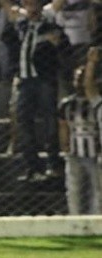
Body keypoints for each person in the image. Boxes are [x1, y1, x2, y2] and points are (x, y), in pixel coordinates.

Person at [0, 0, 65, 181]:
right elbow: (9, 34)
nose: (31, 7)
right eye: (28, 3)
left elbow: (61, 41)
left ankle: (53, 163)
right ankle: (33, 166)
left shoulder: (49, 22)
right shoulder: (20, 24)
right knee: (23, 121)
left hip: (44, 78)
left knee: (50, 120)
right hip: (25, 79)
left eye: (34, 3)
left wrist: (55, 40)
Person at [59, 47, 102, 214]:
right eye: (77, 78)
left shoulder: (95, 102)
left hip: (95, 149)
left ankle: (97, 218)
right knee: (74, 187)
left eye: (81, 78)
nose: (79, 82)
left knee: (97, 187)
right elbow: (63, 124)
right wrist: (65, 144)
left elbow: (89, 87)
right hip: (75, 148)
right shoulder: (67, 103)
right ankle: (74, 216)